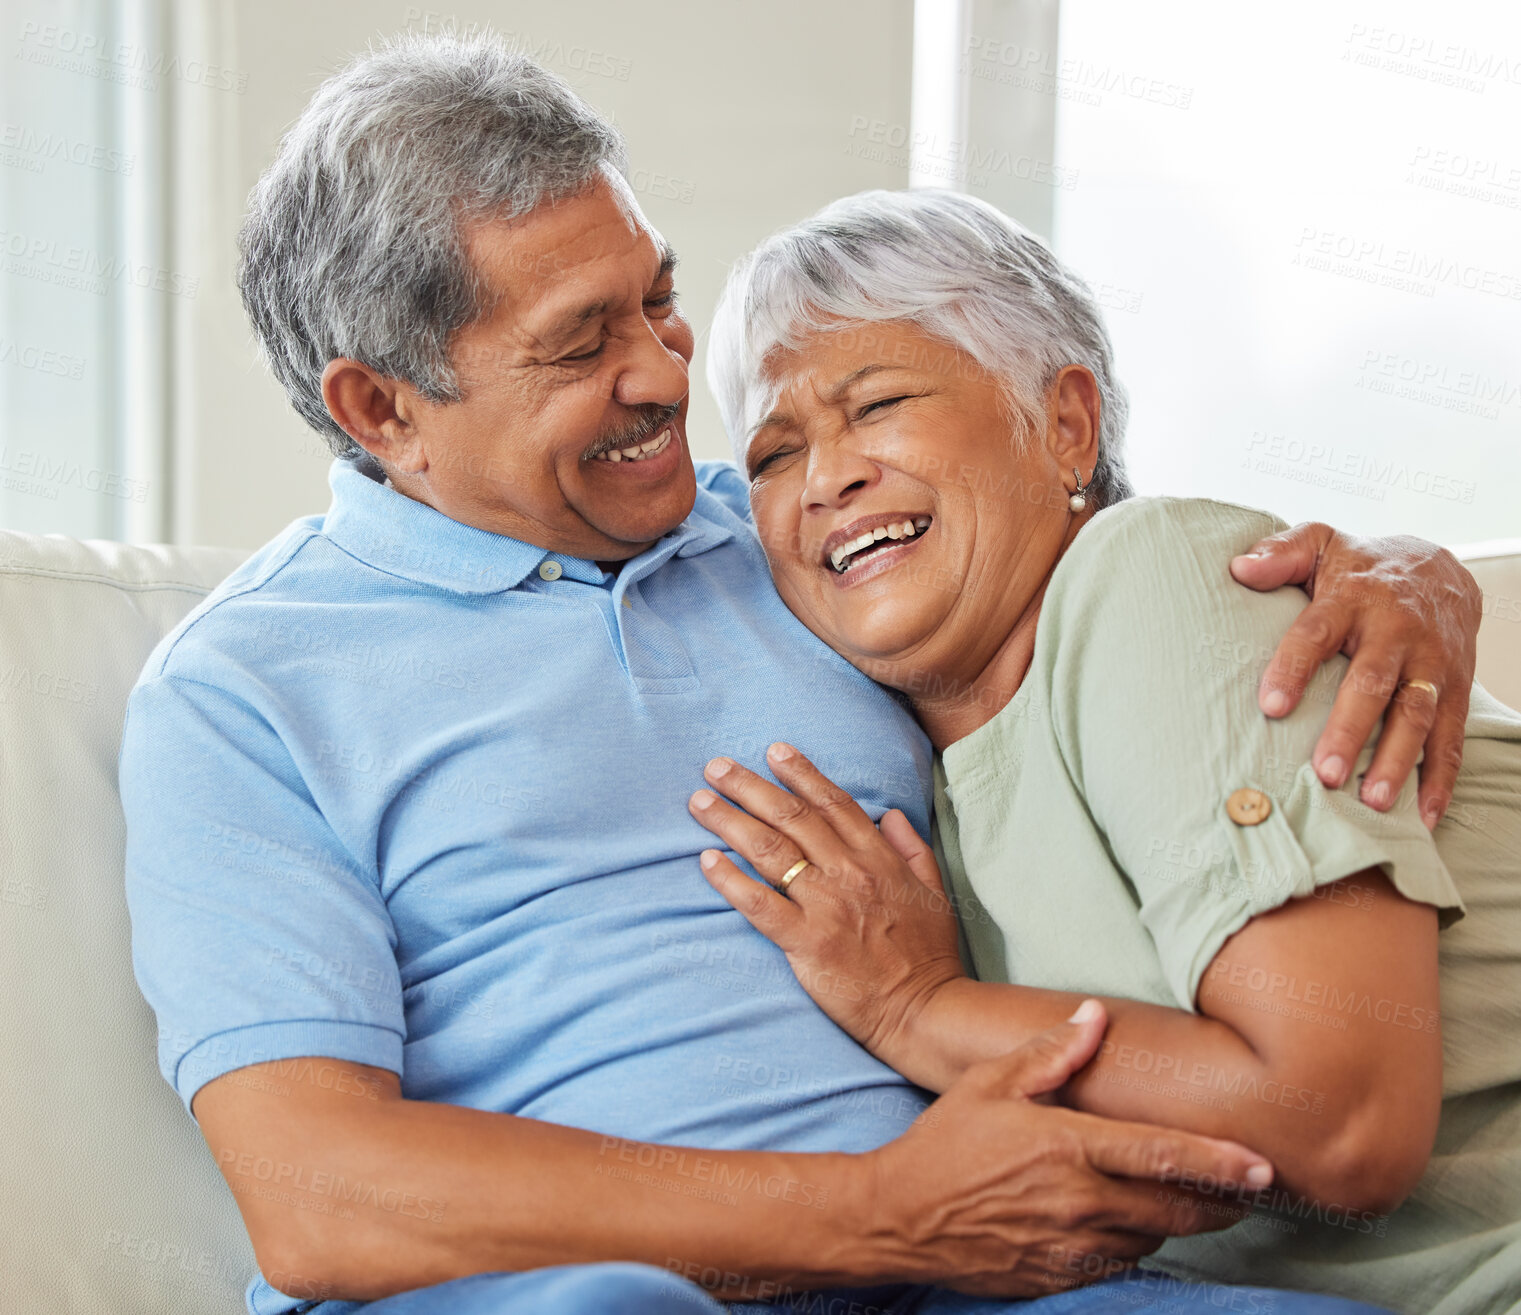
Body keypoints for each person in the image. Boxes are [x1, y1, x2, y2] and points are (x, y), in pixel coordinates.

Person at [120, 35, 1481, 1315]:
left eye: (658, 297)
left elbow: (1093, 557)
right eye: (583, 342)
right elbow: (312, 1186)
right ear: (382, 408)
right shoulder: (244, 687)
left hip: (1000, 1270)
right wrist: (875, 1210)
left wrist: (1407, 568)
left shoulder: (797, 537)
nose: (664, 373)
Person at [691, 187, 1521, 1315]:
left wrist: (915, 1012)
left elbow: (1345, 1124)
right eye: (775, 454)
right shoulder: (919, 771)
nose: (826, 476)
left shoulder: (1149, 578)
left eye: (876, 402)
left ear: (1066, 424)